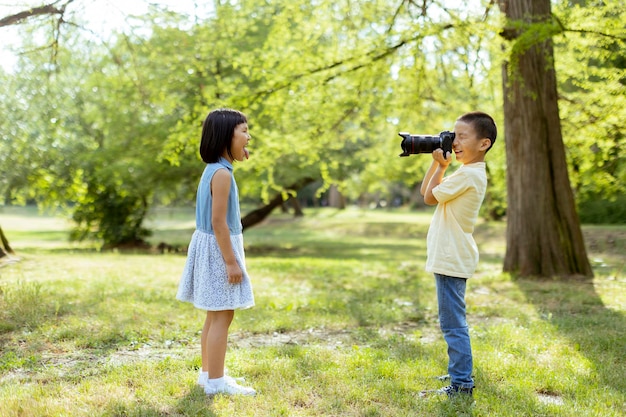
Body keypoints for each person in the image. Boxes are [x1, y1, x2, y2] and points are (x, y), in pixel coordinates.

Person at [176, 108, 256, 396]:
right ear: (226, 136)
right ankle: (216, 383)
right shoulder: (222, 175)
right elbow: (219, 223)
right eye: (244, 131)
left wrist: (236, 156)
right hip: (219, 249)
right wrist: (232, 263)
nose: (249, 137)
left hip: (209, 245)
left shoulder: (215, 168)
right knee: (223, 315)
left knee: (214, 315)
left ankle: (209, 375)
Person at [419, 111, 497, 398]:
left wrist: (439, 168)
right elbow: (427, 192)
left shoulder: (468, 175)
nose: (455, 142)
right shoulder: (467, 173)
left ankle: (462, 384)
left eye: (462, 136)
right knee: (452, 321)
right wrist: (436, 166)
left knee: (453, 324)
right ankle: (458, 371)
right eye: (454, 135)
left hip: (452, 257)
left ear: (483, 143)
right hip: (450, 255)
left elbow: (429, 197)